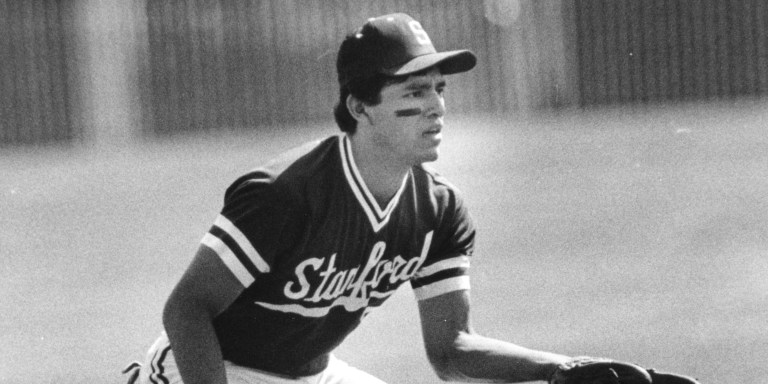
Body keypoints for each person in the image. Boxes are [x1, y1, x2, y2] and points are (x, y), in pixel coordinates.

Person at [127, 12, 575, 384]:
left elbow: (451, 350)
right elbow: (186, 309)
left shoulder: (439, 211)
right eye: (415, 91)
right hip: (219, 370)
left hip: (316, 376)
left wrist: (561, 369)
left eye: (439, 89)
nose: (436, 107)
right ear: (360, 107)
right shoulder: (285, 194)